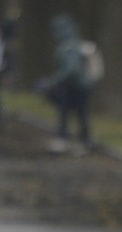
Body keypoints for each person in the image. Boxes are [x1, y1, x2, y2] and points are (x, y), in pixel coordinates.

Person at [36, 14, 94, 147]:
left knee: (73, 112)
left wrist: (55, 81)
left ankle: (74, 139)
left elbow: (72, 70)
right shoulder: (75, 44)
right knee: (77, 113)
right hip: (78, 85)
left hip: (74, 86)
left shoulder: (69, 47)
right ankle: (80, 138)